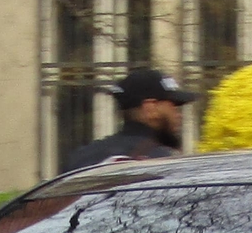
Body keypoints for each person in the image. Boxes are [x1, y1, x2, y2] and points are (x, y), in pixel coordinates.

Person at [62, 67, 190, 174]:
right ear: (150, 108)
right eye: (174, 106)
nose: (179, 115)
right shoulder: (166, 163)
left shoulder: (80, 159)